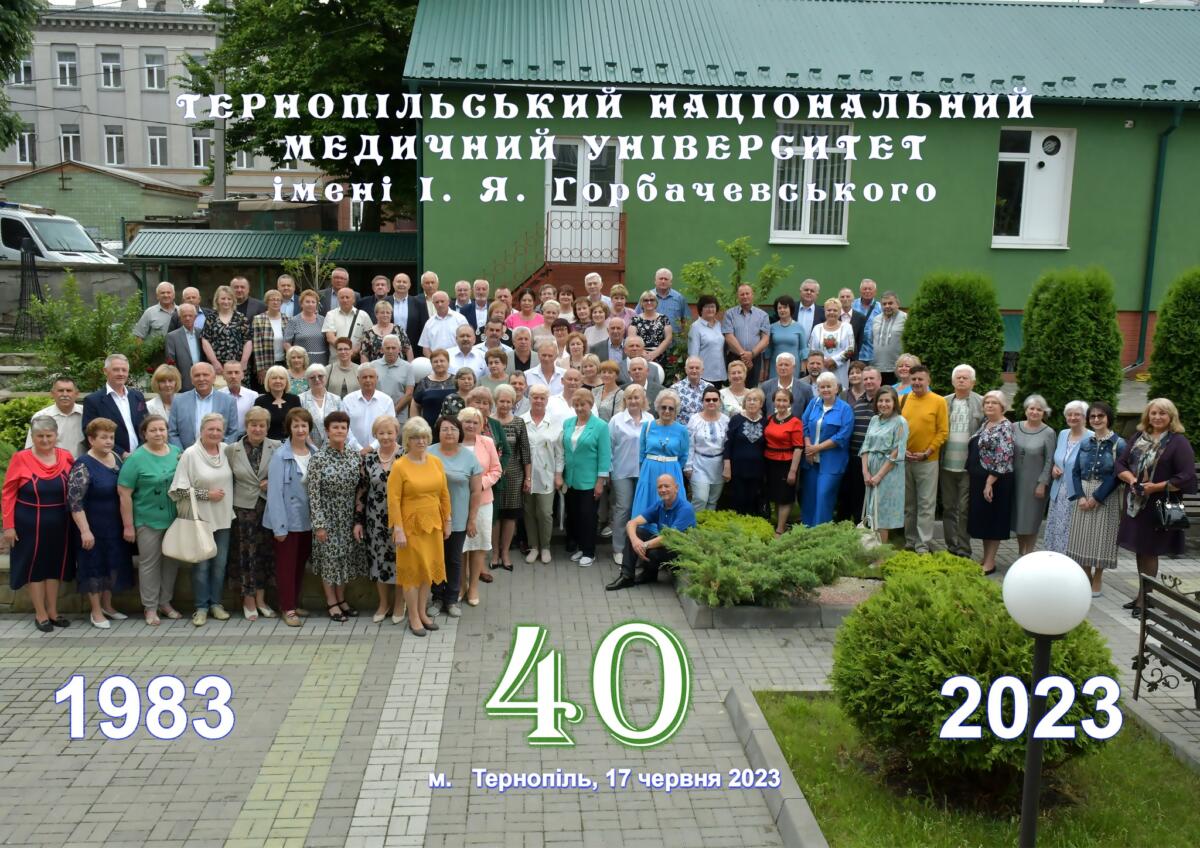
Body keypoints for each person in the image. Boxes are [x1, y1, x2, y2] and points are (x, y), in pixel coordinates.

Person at [1116, 398, 1197, 618]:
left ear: (1171, 416)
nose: (1157, 417)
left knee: (1150, 550)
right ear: (1147, 415)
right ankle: (1142, 594)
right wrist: (1132, 480)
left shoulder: (1178, 442)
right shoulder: (1138, 437)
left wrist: (1156, 487)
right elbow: (1121, 463)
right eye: (1153, 413)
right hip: (1136, 504)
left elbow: (1186, 475)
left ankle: (1145, 600)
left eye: (1162, 413)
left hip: (1158, 505)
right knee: (1140, 550)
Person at [4, 417, 76, 631]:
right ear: (33, 437)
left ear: (56, 436)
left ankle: (53, 611)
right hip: (29, 522)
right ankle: (40, 613)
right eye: (40, 436)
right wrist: (8, 526)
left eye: (49, 436)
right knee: (34, 568)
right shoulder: (21, 458)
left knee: (54, 566)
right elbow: (8, 493)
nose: (45, 440)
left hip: (60, 522)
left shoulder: (66, 456)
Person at [66, 418, 132, 630]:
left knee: (112, 563)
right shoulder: (82, 465)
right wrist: (85, 531)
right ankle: (95, 611)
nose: (109, 441)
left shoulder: (116, 458)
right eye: (103, 437)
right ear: (91, 439)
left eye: (111, 437)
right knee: (93, 567)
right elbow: (75, 502)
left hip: (114, 524)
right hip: (92, 525)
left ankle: (107, 606)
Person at [169, 413, 235, 627]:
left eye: (219, 429)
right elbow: (177, 490)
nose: (215, 433)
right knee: (202, 566)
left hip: (224, 518)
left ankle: (216, 604)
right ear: (201, 431)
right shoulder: (190, 454)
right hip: (200, 519)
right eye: (210, 429)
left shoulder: (226, 450)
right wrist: (207, 495)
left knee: (220, 565)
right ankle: (201, 607)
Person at [117, 414, 183, 625]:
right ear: (144, 433)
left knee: (171, 562)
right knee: (149, 564)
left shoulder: (176, 453)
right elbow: (124, 494)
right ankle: (150, 607)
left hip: (173, 519)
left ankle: (165, 602)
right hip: (147, 520)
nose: (158, 433)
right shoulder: (135, 459)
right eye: (153, 430)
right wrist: (128, 526)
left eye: (162, 429)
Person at [307, 410, 366, 622]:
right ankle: (331, 602)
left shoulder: (354, 456)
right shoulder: (318, 459)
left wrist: (358, 518)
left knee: (345, 560)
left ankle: (342, 599)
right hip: (327, 517)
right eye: (335, 427)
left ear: (347, 430)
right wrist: (319, 525)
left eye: (343, 427)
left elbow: (361, 488)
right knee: (330, 561)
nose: (339, 431)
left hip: (348, 517)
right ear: (327, 431)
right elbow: (313, 494)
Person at [262, 408, 315, 627]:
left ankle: (293, 601)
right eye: (296, 425)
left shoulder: (315, 452)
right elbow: (274, 493)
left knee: (300, 564)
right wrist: (279, 527)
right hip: (287, 521)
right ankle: (287, 608)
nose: (300, 430)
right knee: (286, 566)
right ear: (289, 428)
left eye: (304, 425)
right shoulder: (280, 456)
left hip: (308, 520)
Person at [226, 406, 278, 621]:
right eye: (253, 425)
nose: (257, 429)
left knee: (265, 554)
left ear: (267, 427)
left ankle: (261, 600)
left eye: (261, 425)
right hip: (242, 510)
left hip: (267, 509)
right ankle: (248, 600)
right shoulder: (231, 450)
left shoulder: (277, 447)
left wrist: (272, 482)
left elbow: (285, 475)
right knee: (246, 555)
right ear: (246, 426)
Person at [1067, 402, 1125, 596]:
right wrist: (1080, 496)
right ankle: (1085, 574)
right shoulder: (1085, 442)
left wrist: (1097, 497)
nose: (1096, 419)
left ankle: (1098, 577)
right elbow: (1075, 471)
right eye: (1092, 416)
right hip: (1083, 493)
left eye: (1101, 416)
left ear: (1108, 418)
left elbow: (1118, 475)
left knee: (1102, 539)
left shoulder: (1119, 444)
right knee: (1082, 537)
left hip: (1106, 495)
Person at [428, 415, 483, 616]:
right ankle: (436, 598)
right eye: (445, 429)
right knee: (435, 558)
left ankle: (451, 599)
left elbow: (476, 491)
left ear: (460, 432)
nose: (449, 432)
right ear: (438, 432)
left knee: (454, 559)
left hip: (459, 517)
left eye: (453, 429)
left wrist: (472, 519)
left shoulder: (469, 457)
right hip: (432, 517)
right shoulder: (428, 453)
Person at [608, 474, 697, 591]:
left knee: (653, 551)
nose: (663, 490)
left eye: (667, 486)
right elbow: (631, 523)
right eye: (660, 487)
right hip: (665, 546)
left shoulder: (685, 509)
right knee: (636, 533)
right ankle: (627, 577)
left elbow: (669, 537)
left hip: (680, 554)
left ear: (676, 488)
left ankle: (649, 575)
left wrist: (644, 545)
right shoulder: (660, 505)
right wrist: (635, 541)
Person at [356, 416, 402, 622]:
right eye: (381, 433)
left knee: (401, 561)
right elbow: (362, 491)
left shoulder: (405, 456)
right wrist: (358, 521)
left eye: (389, 432)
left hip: (400, 519)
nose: (386, 437)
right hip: (375, 519)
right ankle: (383, 604)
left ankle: (400, 603)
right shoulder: (369, 459)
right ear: (375, 435)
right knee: (378, 560)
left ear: (397, 433)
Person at [900, 365, 948, 554]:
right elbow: (896, 428)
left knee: (926, 504)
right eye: (914, 379)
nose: (917, 382)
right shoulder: (903, 400)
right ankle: (909, 541)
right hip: (905, 460)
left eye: (921, 379)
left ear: (928, 380)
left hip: (928, 461)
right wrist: (902, 450)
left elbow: (943, 431)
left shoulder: (938, 401)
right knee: (909, 504)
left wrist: (928, 452)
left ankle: (922, 544)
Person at [939, 364, 985, 558]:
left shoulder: (982, 403)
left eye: (965, 377)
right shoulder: (943, 402)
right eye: (958, 377)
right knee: (948, 507)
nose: (961, 380)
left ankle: (964, 549)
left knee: (964, 509)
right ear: (952, 381)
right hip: (946, 465)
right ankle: (951, 546)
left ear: (973, 382)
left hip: (968, 467)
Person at [561, 389, 611, 567]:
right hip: (571, 479)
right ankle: (581, 548)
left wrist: (600, 482)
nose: (579, 408)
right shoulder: (568, 423)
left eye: (583, 404)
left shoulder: (600, 426)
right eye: (576, 404)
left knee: (588, 517)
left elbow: (605, 456)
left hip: (590, 481)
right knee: (574, 516)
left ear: (591, 404)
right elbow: (564, 450)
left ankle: (589, 552)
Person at [458, 406, 502, 604]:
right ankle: (461, 586)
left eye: (475, 422)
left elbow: (496, 470)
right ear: (460, 423)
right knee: (460, 547)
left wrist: (480, 484)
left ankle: (474, 587)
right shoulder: (453, 443)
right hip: (458, 502)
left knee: (478, 545)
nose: (471, 425)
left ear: (482, 425)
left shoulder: (487, 442)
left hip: (483, 502)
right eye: (467, 421)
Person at [968, 391, 1015, 574]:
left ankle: (990, 562)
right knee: (985, 520)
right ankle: (985, 558)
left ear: (1002, 407)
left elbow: (1004, 456)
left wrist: (989, 482)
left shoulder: (1005, 427)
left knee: (994, 521)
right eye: (987, 402)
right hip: (980, 479)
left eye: (994, 402)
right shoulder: (986, 423)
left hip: (996, 481)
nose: (989, 405)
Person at [800, 374, 854, 527]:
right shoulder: (814, 403)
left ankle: (820, 533)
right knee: (809, 497)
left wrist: (817, 448)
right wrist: (809, 448)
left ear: (836, 388)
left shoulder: (845, 408)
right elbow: (804, 424)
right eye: (822, 387)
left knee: (824, 496)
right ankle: (805, 532)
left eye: (829, 386)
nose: (825, 390)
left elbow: (843, 435)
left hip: (832, 462)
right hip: (811, 461)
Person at [631, 390, 689, 532]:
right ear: (657, 408)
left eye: (671, 408)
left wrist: (672, 467)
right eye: (663, 407)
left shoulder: (682, 430)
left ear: (676, 411)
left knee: (670, 503)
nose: (667, 411)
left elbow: (683, 455)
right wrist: (645, 471)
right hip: (649, 471)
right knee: (647, 504)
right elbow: (641, 454)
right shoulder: (648, 426)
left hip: (671, 471)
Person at [859, 387, 908, 541]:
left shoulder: (900, 422)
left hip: (888, 472)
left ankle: (881, 553)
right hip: (871, 470)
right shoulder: (874, 420)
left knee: (881, 514)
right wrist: (865, 472)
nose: (883, 404)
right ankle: (871, 547)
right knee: (871, 511)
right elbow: (865, 446)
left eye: (888, 401)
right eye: (880, 401)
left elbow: (896, 452)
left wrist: (879, 475)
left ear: (894, 403)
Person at [521, 385, 563, 565]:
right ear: (529, 398)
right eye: (535, 397)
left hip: (547, 475)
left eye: (542, 398)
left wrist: (558, 475)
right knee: (529, 512)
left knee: (545, 512)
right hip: (526, 476)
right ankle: (534, 547)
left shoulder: (555, 422)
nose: (538, 400)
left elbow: (559, 453)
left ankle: (545, 547)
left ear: (547, 400)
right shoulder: (521, 421)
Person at [491, 384, 531, 571]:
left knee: (510, 516)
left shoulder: (519, 422)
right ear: (495, 401)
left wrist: (528, 478)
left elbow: (525, 452)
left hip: (514, 476)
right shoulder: (488, 422)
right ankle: (495, 554)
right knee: (495, 516)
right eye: (502, 401)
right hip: (492, 476)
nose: (505, 405)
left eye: (509, 401)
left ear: (513, 402)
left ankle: (505, 553)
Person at [1043, 400, 1092, 554]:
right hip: (1058, 492)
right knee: (1056, 529)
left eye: (1077, 414)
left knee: (1071, 531)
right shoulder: (1063, 434)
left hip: (1077, 492)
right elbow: (1059, 459)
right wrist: (1054, 468)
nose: (1072, 417)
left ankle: (1069, 560)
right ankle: (1054, 558)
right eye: (1069, 414)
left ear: (1085, 417)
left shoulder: (1092, 437)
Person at [1011, 394, 1057, 556]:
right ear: (1026, 410)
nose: (1035, 412)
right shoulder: (1014, 427)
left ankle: (1029, 553)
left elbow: (1050, 459)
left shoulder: (1049, 432)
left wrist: (1042, 483)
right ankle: (1020, 552)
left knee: (1031, 520)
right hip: (1016, 481)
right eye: (1032, 408)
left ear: (1044, 413)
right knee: (1019, 519)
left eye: (1039, 409)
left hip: (1035, 484)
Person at [835, 363, 878, 524]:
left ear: (879, 380)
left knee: (865, 494)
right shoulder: (859, 401)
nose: (868, 382)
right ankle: (848, 524)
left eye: (871, 378)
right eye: (866, 379)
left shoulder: (882, 401)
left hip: (873, 456)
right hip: (853, 453)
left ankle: (865, 525)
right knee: (850, 491)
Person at [83, 353, 147, 458]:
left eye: (124, 370)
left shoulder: (137, 396)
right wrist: (122, 453)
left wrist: (141, 451)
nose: (121, 373)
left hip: (141, 456)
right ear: (105, 371)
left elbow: (146, 426)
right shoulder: (93, 401)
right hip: (111, 458)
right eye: (116, 370)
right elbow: (90, 434)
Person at [763, 388, 806, 533]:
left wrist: (793, 471)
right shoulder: (770, 418)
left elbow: (798, 448)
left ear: (790, 403)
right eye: (778, 400)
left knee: (785, 497)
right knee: (776, 495)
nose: (781, 403)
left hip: (786, 463)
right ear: (774, 402)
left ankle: (780, 529)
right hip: (770, 462)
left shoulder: (795, 422)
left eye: (784, 400)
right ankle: (779, 523)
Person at [169, 362, 241, 448]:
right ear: (192, 380)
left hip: (218, 453)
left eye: (205, 375)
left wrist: (223, 451)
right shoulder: (178, 401)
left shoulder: (228, 401)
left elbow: (233, 431)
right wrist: (180, 452)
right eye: (197, 375)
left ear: (214, 378)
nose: (201, 379)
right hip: (185, 453)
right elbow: (172, 432)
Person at [723, 388, 767, 517]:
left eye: (755, 400)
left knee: (753, 502)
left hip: (757, 470)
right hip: (737, 469)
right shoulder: (736, 420)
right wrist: (726, 465)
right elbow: (728, 443)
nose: (752, 402)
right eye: (749, 400)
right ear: (744, 402)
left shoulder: (765, 422)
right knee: (738, 501)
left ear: (761, 404)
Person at [686, 386, 730, 512]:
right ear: (703, 402)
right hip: (699, 464)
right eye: (708, 400)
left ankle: (707, 524)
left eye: (715, 400)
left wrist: (727, 466)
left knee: (712, 501)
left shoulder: (726, 420)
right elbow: (689, 444)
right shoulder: (695, 419)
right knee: (700, 498)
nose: (711, 402)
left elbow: (728, 444)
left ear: (719, 402)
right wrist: (688, 466)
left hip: (718, 465)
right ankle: (692, 523)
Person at [722, 284, 770, 388]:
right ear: (738, 297)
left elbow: (765, 339)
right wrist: (744, 355)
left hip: (755, 358)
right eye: (742, 294)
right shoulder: (729, 314)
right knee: (734, 387)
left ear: (752, 295)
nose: (745, 296)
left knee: (752, 390)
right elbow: (729, 336)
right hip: (735, 357)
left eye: (747, 293)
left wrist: (751, 355)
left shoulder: (763, 315)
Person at [27, 376, 86, 458]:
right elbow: (30, 448)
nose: (65, 394)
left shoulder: (86, 413)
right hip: (52, 464)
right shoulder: (40, 417)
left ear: (77, 394)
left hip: (82, 464)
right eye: (60, 390)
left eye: (69, 391)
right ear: (52, 393)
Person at [201, 285, 252, 377]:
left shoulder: (241, 318)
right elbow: (205, 341)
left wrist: (243, 362)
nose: (226, 301)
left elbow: (248, 340)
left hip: (238, 366)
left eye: (229, 299)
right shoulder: (211, 318)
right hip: (218, 367)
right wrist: (214, 362)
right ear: (217, 300)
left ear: (233, 301)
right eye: (223, 298)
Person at [299, 364, 353, 449]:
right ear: (307, 380)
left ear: (326, 378)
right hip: (308, 449)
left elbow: (343, 425)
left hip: (333, 450)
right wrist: (313, 449)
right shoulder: (301, 399)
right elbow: (300, 426)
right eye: (312, 377)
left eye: (320, 376)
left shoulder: (336, 399)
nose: (317, 379)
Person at [343, 366, 394, 451]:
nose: (368, 380)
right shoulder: (348, 400)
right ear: (358, 379)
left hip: (380, 451)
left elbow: (390, 428)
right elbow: (344, 427)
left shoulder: (387, 401)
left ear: (377, 379)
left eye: (371, 377)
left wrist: (372, 447)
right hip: (352, 451)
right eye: (364, 377)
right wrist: (358, 448)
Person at [808, 299, 855, 388]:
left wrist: (834, 361)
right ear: (825, 312)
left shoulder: (847, 327)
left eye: (835, 310)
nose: (831, 312)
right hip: (821, 368)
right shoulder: (817, 328)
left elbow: (850, 349)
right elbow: (811, 349)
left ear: (840, 312)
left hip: (840, 369)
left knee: (839, 391)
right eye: (829, 310)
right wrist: (824, 361)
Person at [251, 289, 289, 387]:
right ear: (267, 302)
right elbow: (257, 346)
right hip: (266, 364)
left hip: (284, 362)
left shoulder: (287, 319)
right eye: (272, 299)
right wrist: (260, 369)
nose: (275, 302)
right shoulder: (259, 319)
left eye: (278, 300)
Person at [252, 366, 302, 442]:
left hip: (291, 442)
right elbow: (256, 425)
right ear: (268, 381)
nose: (278, 381)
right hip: (268, 443)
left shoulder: (294, 399)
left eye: (281, 378)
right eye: (274, 378)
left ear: (286, 381)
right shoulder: (260, 401)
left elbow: (300, 423)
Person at [371, 335, 415, 420]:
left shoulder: (408, 367)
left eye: (393, 348)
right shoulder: (373, 366)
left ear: (399, 349)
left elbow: (409, 394)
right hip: (376, 415)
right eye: (387, 348)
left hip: (399, 417)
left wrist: (393, 412)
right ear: (382, 349)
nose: (390, 351)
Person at [321, 286, 372, 358]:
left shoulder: (363, 315)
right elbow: (330, 337)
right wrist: (345, 351)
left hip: (356, 359)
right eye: (342, 297)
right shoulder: (331, 314)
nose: (345, 300)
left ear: (353, 300)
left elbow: (369, 336)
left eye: (347, 297)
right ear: (338, 299)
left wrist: (355, 351)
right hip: (336, 359)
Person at [760, 353, 814, 419]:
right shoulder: (766, 386)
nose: (783, 368)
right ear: (776, 367)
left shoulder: (805, 388)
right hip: (771, 424)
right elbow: (762, 411)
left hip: (796, 425)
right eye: (780, 365)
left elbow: (810, 412)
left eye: (786, 365)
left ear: (794, 367)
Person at [282, 289, 329, 365]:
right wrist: (294, 357)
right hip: (301, 362)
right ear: (301, 304)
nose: (310, 304)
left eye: (313, 302)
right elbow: (286, 343)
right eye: (307, 302)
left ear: (316, 304)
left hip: (322, 361)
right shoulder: (294, 321)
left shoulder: (323, 320)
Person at [766, 295, 807, 381]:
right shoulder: (771, 327)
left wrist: (803, 370)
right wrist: (766, 370)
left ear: (790, 309)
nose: (782, 310)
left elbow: (803, 350)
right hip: (775, 366)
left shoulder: (799, 327)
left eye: (785, 307)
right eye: (779, 308)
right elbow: (768, 350)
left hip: (794, 367)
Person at [413, 350, 457, 426]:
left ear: (448, 362)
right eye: (435, 362)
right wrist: (416, 424)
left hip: (454, 427)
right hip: (428, 428)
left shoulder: (457, 381)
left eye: (442, 361)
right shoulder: (424, 383)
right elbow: (415, 405)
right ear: (431, 364)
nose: (439, 364)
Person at [870, 291, 907, 384]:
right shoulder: (876, 319)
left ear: (898, 304)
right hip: (877, 368)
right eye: (884, 304)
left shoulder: (905, 318)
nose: (887, 306)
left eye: (890, 303)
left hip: (897, 368)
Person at [420, 291, 470, 357]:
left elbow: (468, 341)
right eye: (437, 302)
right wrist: (433, 360)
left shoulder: (460, 319)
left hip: (458, 359)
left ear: (448, 302)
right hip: (437, 360)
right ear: (433, 304)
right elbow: (425, 348)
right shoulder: (429, 323)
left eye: (442, 301)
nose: (440, 304)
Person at [164, 302, 202, 390]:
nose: (187, 318)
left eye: (190, 315)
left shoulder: (201, 333)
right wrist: (176, 381)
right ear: (180, 318)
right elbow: (171, 362)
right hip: (183, 381)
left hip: (201, 378)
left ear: (195, 317)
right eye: (184, 316)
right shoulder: (172, 337)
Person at [638, 268, 687, 334]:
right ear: (655, 281)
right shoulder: (646, 297)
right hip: (650, 338)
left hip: (674, 339)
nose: (663, 281)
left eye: (666, 279)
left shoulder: (679, 298)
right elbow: (637, 316)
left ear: (671, 282)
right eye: (661, 279)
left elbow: (686, 320)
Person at [630, 291, 673, 364]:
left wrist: (655, 353)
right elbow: (632, 339)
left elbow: (668, 339)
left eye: (652, 300)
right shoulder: (635, 320)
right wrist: (643, 353)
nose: (649, 302)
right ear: (641, 303)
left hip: (660, 356)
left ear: (656, 302)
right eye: (646, 300)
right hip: (640, 357)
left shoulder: (664, 319)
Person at [392, 272, 430, 349]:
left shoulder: (419, 303)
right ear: (393, 284)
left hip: (413, 347)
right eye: (398, 281)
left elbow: (424, 326)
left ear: (409, 285)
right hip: (390, 347)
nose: (401, 284)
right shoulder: (385, 302)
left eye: (404, 282)